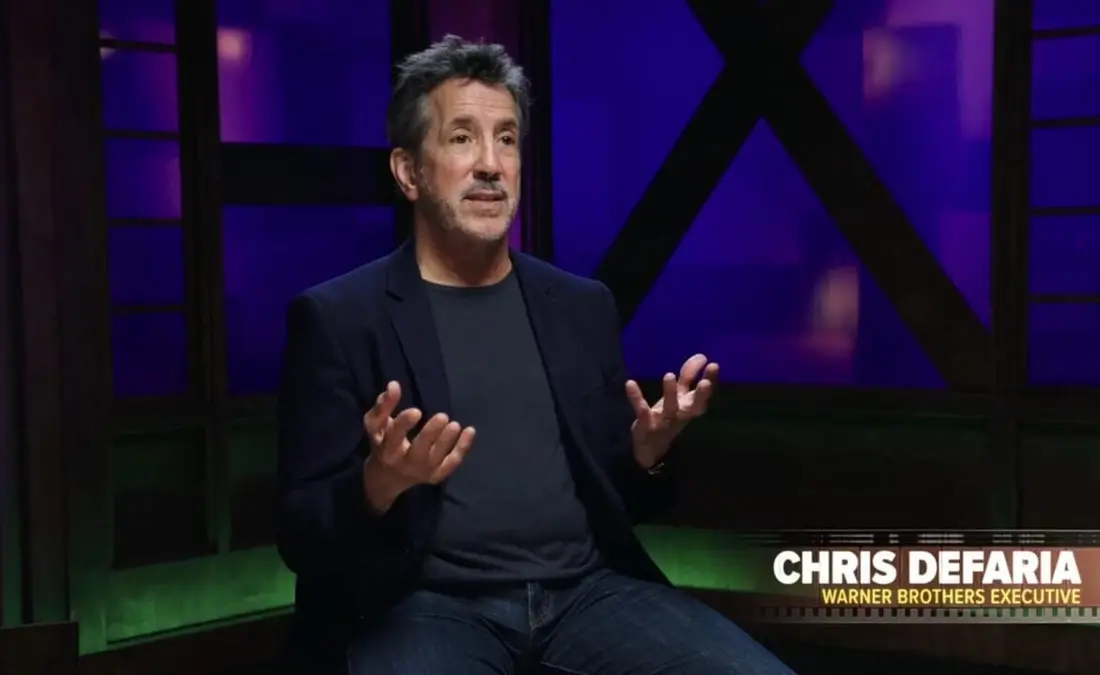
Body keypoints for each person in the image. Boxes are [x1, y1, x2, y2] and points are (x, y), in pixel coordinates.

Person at [276, 34, 797, 674]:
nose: (490, 164)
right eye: (462, 138)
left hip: (586, 594)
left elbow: (632, 504)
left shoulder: (579, 306)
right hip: (424, 603)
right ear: (409, 172)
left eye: (507, 139)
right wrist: (377, 484)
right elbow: (301, 535)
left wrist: (646, 455)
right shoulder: (339, 317)